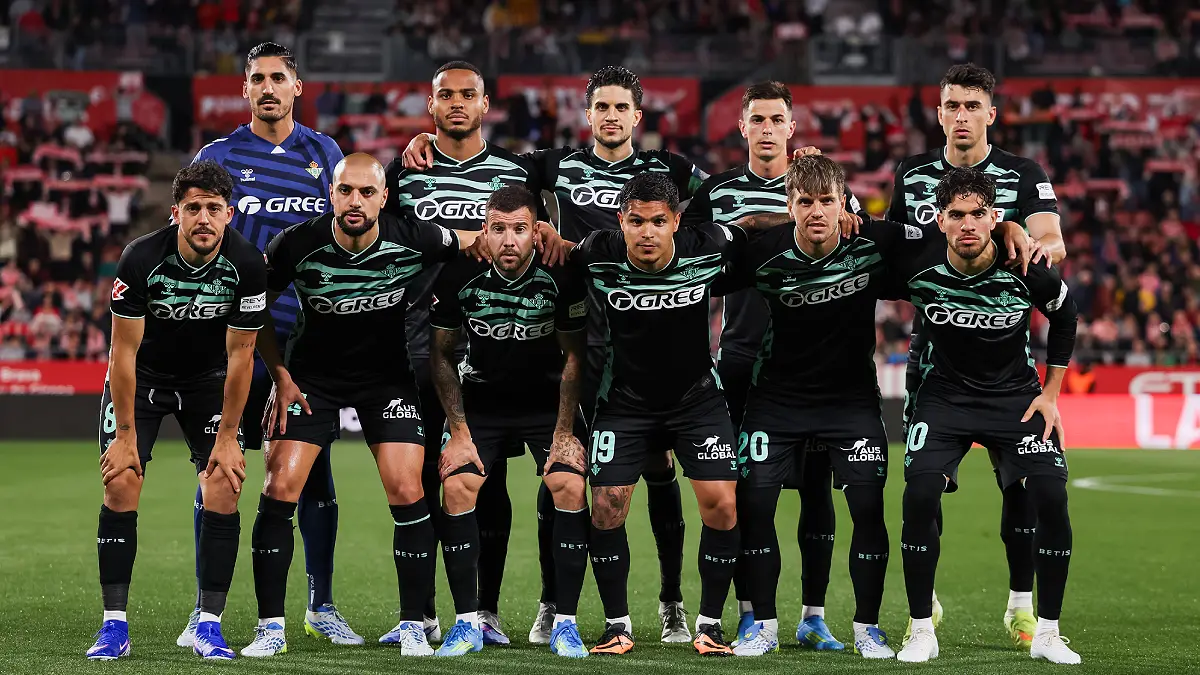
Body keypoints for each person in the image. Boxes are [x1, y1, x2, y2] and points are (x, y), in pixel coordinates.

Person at [403, 65, 701, 644]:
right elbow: (484, 162)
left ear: (637, 117)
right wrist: (424, 142)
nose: (611, 116)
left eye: (622, 108)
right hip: (575, 336)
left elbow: (719, 201)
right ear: (586, 115)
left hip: (644, 338)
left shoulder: (671, 169)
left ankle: (671, 601)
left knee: (659, 467)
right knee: (561, 478)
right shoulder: (552, 164)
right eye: (602, 107)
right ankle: (545, 605)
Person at [241, 153, 559, 658]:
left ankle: (414, 623)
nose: (355, 202)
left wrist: (546, 237)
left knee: (408, 487)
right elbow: (251, 309)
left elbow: (477, 242)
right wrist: (279, 375)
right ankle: (270, 626)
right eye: (346, 191)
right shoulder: (296, 245)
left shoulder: (412, 236)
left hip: (386, 381)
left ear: (384, 198)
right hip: (311, 383)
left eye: (367, 193)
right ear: (331, 193)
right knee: (279, 487)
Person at [683, 82, 867, 650]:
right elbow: (686, 248)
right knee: (743, 495)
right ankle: (749, 612)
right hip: (740, 360)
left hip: (813, 364)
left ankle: (813, 616)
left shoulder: (825, 188)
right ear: (742, 129)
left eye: (777, 119)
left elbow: (856, 230)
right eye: (757, 119)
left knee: (816, 493)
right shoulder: (715, 191)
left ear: (793, 127)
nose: (767, 128)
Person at [888, 62, 1067, 648]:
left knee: (1019, 490)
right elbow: (896, 250)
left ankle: (1021, 605)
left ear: (991, 113)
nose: (961, 116)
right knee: (926, 485)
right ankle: (925, 601)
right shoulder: (912, 174)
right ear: (938, 113)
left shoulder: (1022, 172)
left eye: (972, 106)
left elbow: (1054, 246)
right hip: (931, 351)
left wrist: (1010, 227)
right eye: (951, 106)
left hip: (1003, 352)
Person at [188, 41, 354, 647]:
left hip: (302, 344)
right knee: (219, 471)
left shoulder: (324, 154)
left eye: (277, 78)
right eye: (256, 78)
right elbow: (193, 239)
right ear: (245, 90)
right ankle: (206, 609)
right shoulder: (219, 156)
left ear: (296, 87)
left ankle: (322, 602)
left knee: (313, 474)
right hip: (230, 341)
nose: (266, 87)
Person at [383, 60, 551, 646]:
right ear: (431, 106)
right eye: (445, 96)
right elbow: (384, 237)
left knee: (487, 481)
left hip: (487, 352)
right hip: (410, 341)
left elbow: (547, 236)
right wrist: (413, 146)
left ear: (487, 105)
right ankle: (420, 616)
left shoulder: (517, 172)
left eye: (468, 95)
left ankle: (484, 611)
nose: (457, 104)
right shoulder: (403, 174)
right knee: (416, 482)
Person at [88, 161, 266, 661]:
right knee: (121, 479)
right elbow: (121, 354)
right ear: (176, 213)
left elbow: (241, 357)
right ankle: (114, 626)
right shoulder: (141, 259)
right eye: (194, 209)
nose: (204, 218)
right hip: (144, 379)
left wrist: (229, 436)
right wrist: (125, 435)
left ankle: (209, 624)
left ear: (229, 214)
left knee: (225, 484)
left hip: (209, 382)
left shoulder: (248, 265)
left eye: (214, 208)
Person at [569, 172, 747, 656]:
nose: (646, 232)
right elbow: (559, 254)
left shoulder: (706, 243)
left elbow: (751, 227)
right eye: (636, 221)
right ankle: (616, 625)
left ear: (677, 222)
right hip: (625, 402)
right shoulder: (596, 251)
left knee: (724, 505)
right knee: (606, 506)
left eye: (658, 222)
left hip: (696, 399)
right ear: (619, 222)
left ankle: (709, 625)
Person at [428, 186, 591, 658]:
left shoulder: (560, 275)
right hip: (482, 403)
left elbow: (574, 357)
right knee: (458, 486)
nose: (509, 240)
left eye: (520, 228)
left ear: (536, 230)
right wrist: (458, 432)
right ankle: (467, 622)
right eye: (498, 229)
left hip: (546, 403)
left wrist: (563, 433)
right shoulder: (461, 273)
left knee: (570, 485)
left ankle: (565, 622)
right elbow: (440, 355)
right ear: (485, 229)